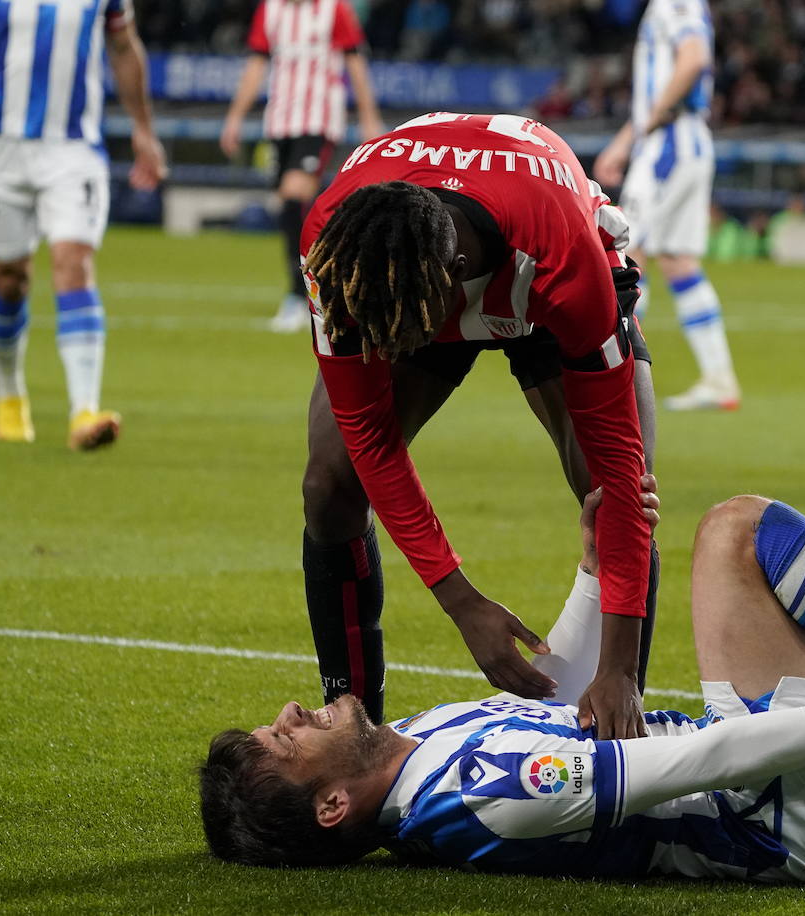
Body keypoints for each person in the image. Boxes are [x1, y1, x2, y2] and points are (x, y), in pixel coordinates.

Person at [199, 482, 805, 878]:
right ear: (331, 807)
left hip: (779, 780)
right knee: (736, 529)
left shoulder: (418, 741)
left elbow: (566, 689)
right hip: (776, 812)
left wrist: (588, 564)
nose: (290, 711)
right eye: (286, 740)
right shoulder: (479, 800)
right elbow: (691, 763)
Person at [295, 112, 659, 742]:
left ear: (457, 275)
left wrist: (619, 669)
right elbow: (370, 439)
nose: (380, 346)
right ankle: (353, 731)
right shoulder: (339, 249)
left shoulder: (564, 259)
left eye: (394, 329)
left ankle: (615, 726)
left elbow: (624, 483)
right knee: (329, 485)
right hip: (416, 277)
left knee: (610, 498)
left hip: (540, 283)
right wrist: (461, 602)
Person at [0, 0, 166, 449]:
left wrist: (143, 128)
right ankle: (10, 395)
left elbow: (124, 47)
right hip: (1, 153)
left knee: (73, 262)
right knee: (10, 280)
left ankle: (84, 411)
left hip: (72, 152)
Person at [594, 0, 740, 411]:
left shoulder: (675, 3)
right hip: (683, 140)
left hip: (670, 145)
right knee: (677, 260)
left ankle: (617, 382)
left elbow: (693, 58)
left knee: (624, 256)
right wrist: (625, 144)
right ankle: (719, 378)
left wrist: (656, 117)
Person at [220, 0, 383, 332]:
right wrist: (235, 117)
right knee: (292, 208)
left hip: (318, 119)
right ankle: (328, 281)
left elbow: (355, 62)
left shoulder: (332, 9)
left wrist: (369, 118)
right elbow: (256, 64)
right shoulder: (271, 10)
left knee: (294, 197)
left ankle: (299, 295)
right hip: (279, 122)